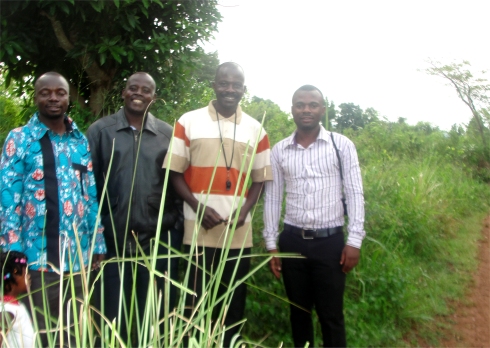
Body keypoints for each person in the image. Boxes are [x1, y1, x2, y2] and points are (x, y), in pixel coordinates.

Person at [163, 62, 272, 346]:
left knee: (233, 307)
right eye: (224, 83)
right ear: (214, 85)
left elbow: (260, 180)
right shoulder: (188, 121)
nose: (230, 90)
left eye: (236, 85)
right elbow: (174, 173)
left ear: (243, 90)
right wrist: (198, 207)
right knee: (194, 304)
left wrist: (245, 211)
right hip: (196, 231)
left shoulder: (256, 129)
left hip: (238, 234)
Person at [0, 72, 107, 346]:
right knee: (36, 334)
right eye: (45, 92)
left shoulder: (79, 141)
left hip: (78, 260)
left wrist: (97, 242)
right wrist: (14, 261)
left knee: (74, 333)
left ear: (68, 97)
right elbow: (6, 200)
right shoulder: (19, 140)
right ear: (35, 97)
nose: (53, 98)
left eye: (60, 92)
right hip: (34, 262)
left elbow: (90, 195)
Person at [263, 85, 366, 347]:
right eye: (300, 104)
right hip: (292, 242)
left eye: (312, 104)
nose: (306, 109)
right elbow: (273, 198)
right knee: (299, 313)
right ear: (292, 110)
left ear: (322, 109)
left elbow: (354, 193)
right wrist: (272, 245)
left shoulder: (340, 145)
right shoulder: (280, 150)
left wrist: (354, 241)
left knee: (331, 316)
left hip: (330, 243)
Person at [86, 72, 183, 342]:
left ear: (154, 97)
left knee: (151, 319)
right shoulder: (100, 131)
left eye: (146, 90)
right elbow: (87, 187)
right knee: (107, 317)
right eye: (133, 88)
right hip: (110, 242)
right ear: (123, 92)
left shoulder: (166, 134)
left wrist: (173, 227)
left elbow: (175, 185)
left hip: (155, 242)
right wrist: (94, 235)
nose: (138, 93)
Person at [0, 251, 34, 348]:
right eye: (25, 273)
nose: (29, 276)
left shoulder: (14, 305)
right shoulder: (8, 308)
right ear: (12, 279)